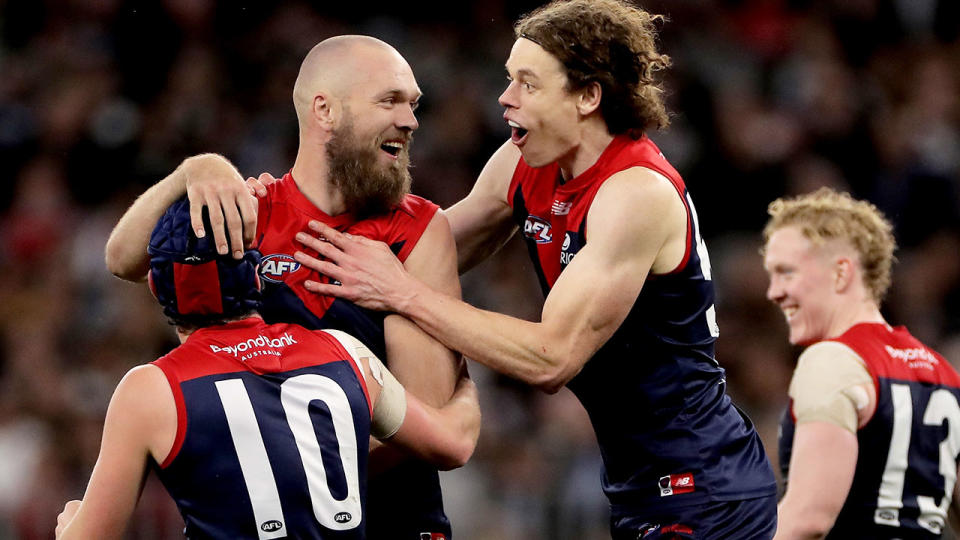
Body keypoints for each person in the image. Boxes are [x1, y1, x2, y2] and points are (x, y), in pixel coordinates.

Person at [292, 1, 778, 537]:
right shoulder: (525, 162)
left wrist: (404, 295)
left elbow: (552, 358)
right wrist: (277, 221)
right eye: (508, 79)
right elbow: (421, 249)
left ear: (588, 96)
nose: (505, 98)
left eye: (528, 83)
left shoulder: (636, 193)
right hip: (640, 484)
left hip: (704, 486)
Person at [103, 36, 476, 538]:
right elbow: (124, 258)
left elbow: (421, 425)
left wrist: (269, 475)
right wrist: (194, 170)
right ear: (325, 110)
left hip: (389, 523)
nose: (410, 121)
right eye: (390, 101)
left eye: (413, 104)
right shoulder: (252, 210)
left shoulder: (417, 229)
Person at [55, 198, 480, 539]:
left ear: (157, 288)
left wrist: (70, 523)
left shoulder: (150, 389)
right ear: (256, 276)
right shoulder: (345, 352)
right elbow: (454, 444)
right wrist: (463, 383)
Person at [762, 187, 960, 539]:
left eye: (787, 273)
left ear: (840, 273)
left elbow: (808, 520)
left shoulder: (831, 361)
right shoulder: (941, 371)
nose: (773, 292)